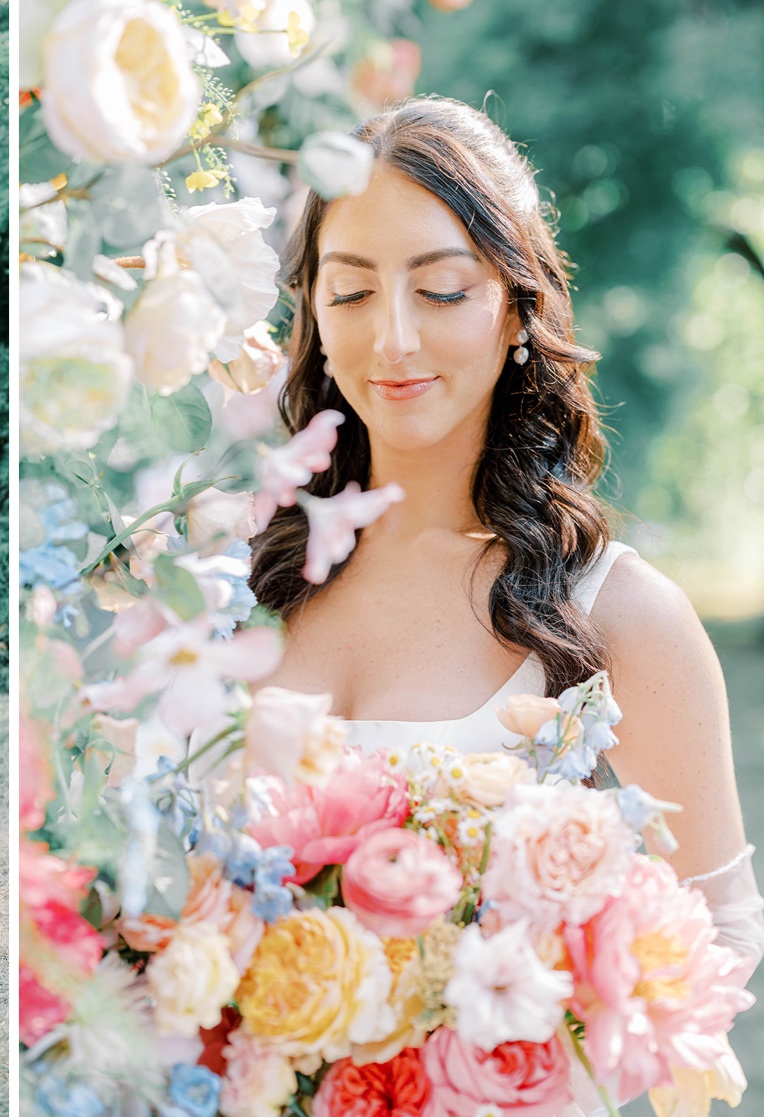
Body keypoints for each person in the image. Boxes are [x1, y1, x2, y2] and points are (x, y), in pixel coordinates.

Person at [247, 97, 762, 1111]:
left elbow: (720, 943)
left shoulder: (622, 614)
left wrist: (517, 1027)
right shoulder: (240, 590)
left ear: (517, 305)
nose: (393, 338)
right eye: (350, 293)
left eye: (441, 289)